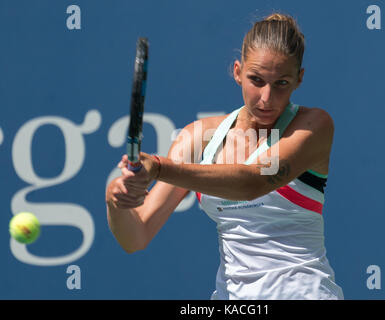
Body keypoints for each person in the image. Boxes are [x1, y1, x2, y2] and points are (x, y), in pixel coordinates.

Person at [106, 13, 344, 300]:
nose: (266, 97)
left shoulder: (313, 126)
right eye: (256, 80)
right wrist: (115, 199)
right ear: (237, 71)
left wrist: (157, 168)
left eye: (281, 83)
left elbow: (253, 183)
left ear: (299, 80)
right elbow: (137, 235)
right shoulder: (198, 138)